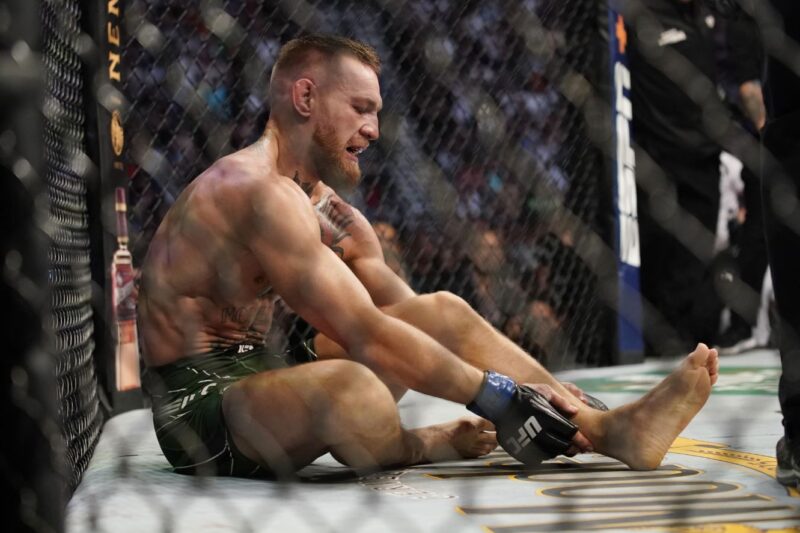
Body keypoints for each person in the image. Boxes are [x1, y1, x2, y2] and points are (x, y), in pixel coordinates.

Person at [137, 33, 719, 479]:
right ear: (306, 96)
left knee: (441, 308)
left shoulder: (328, 209)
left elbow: (412, 319)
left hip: (269, 366)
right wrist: (499, 398)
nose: (374, 130)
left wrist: (542, 401)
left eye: (377, 112)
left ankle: (603, 426)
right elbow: (367, 335)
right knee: (354, 391)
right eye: (360, 107)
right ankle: (422, 444)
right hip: (203, 404)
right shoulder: (253, 190)